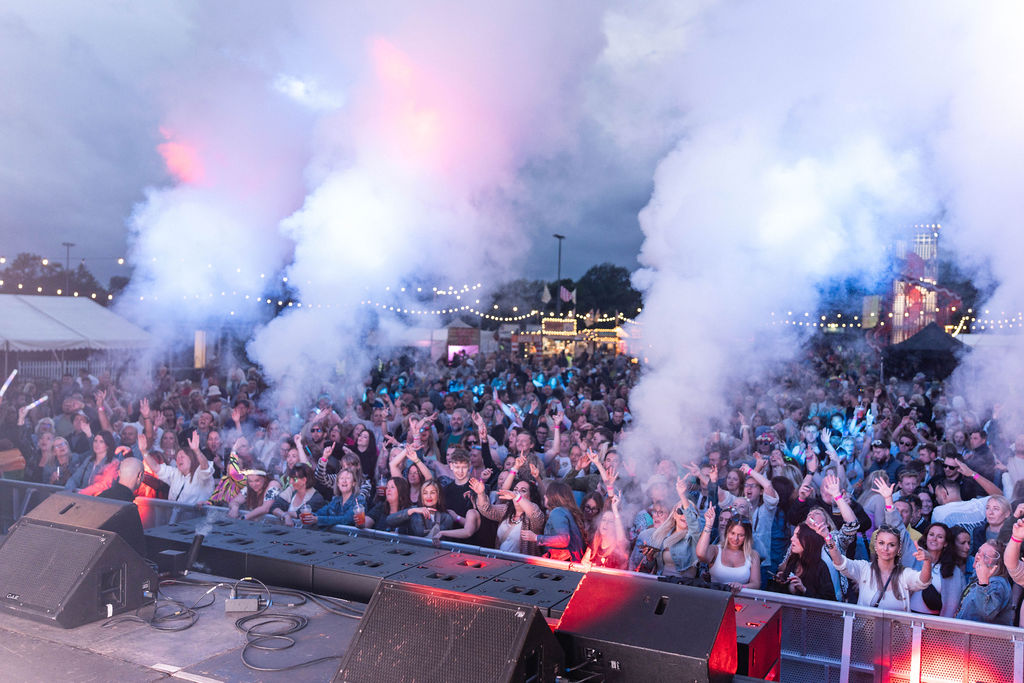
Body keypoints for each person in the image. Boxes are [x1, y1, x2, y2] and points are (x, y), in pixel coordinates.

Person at [824, 523, 931, 611]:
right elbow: (840, 563)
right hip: (867, 629)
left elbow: (923, 581)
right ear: (875, 546)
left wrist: (927, 561)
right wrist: (828, 539)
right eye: (881, 543)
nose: (885, 548)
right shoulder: (864, 568)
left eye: (891, 545)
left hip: (896, 630)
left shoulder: (904, 574)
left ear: (898, 549)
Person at [628, 477, 699, 578]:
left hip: (683, 586)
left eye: (687, 513)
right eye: (680, 512)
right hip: (662, 584)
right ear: (674, 515)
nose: (684, 516)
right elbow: (649, 569)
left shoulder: (694, 537)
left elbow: (692, 520)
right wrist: (649, 559)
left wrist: (682, 495)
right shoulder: (662, 536)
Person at [470, 476, 546, 555]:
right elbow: (486, 509)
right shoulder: (506, 510)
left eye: (523, 491)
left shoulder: (533, 518)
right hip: (501, 560)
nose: (517, 493)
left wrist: (517, 497)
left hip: (522, 562)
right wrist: (481, 494)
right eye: (515, 490)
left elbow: (535, 513)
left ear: (531, 497)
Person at [141, 431, 214, 505]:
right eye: (177, 458)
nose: (179, 459)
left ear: (191, 459)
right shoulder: (175, 473)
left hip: (197, 512)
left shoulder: (200, 474)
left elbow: (206, 468)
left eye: (182, 457)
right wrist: (144, 451)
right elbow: (156, 467)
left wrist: (197, 451)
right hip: (174, 512)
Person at [697, 505, 760, 591]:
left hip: (740, 598)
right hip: (715, 597)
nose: (735, 538)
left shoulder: (753, 555)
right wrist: (708, 525)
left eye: (741, 535)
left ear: (747, 536)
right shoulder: (716, 550)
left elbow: (756, 584)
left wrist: (742, 586)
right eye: (732, 533)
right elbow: (700, 555)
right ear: (727, 532)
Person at [909, 522, 965, 617]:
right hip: (907, 617)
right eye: (931, 535)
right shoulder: (913, 560)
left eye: (940, 537)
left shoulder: (954, 570)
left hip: (936, 621)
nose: (934, 539)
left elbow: (958, 602)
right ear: (926, 538)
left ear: (945, 543)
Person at [521, 481, 586, 562]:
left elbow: (563, 540)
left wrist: (536, 538)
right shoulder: (567, 512)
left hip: (563, 564)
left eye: (547, 494)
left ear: (553, 497)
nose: (544, 496)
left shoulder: (557, 512)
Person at [956, 540, 1014, 624]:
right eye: (979, 551)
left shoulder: (997, 583)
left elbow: (987, 612)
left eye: (985, 556)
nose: (978, 556)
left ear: (996, 565)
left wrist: (983, 583)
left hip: (981, 632)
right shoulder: (977, 577)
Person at [772, 523, 835, 600]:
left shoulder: (820, 567)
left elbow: (829, 600)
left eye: (797, 536)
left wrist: (804, 590)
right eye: (793, 535)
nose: (792, 538)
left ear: (809, 540)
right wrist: (782, 581)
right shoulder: (793, 560)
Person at [581, 494, 629, 569]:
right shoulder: (594, 544)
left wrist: (615, 510)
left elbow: (621, 540)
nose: (605, 524)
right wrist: (585, 564)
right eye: (604, 520)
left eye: (610, 521)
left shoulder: (619, 547)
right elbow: (583, 562)